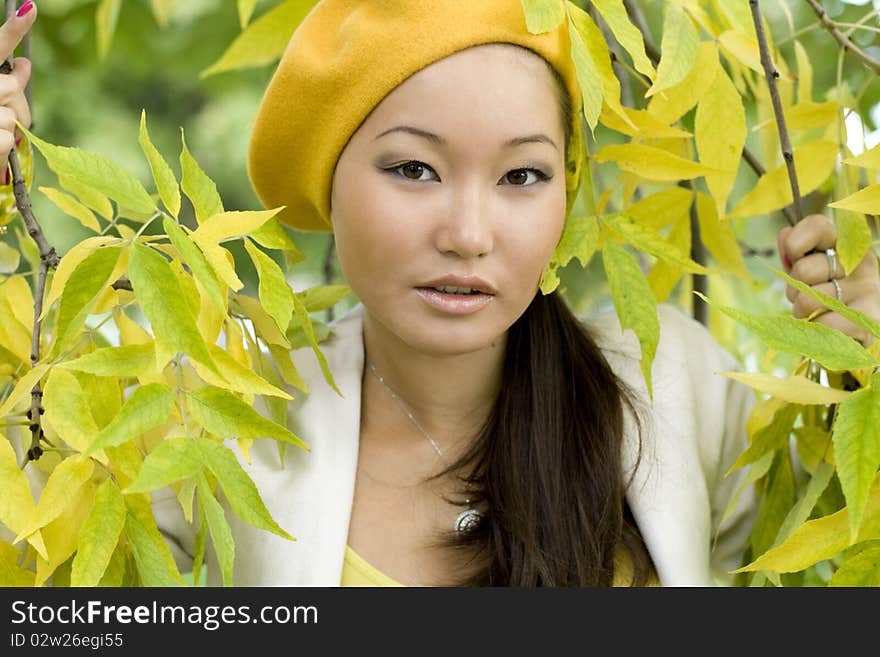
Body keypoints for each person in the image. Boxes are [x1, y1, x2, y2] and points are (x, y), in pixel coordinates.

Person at [2, 0, 879, 587]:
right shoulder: (223, 403)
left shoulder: (678, 389)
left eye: (523, 175)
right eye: (414, 167)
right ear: (329, 186)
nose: (469, 231)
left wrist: (865, 364)